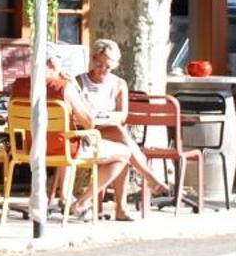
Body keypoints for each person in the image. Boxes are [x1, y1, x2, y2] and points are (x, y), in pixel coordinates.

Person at [9, 55, 141, 220]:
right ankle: (81, 203)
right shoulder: (65, 87)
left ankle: (66, 196)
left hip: (30, 148)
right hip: (64, 148)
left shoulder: (19, 85)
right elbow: (89, 122)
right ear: (53, 65)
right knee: (124, 153)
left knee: (76, 139)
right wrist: (77, 90)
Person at [70, 39, 169, 212]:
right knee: (124, 147)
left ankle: (89, 203)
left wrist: (105, 116)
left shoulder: (118, 83)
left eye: (108, 66)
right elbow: (76, 115)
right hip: (86, 133)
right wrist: (95, 118)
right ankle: (145, 180)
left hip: (107, 128)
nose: (103, 69)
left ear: (114, 65)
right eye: (99, 64)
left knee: (121, 141)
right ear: (93, 59)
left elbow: (122, 115)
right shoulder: (79, 81)